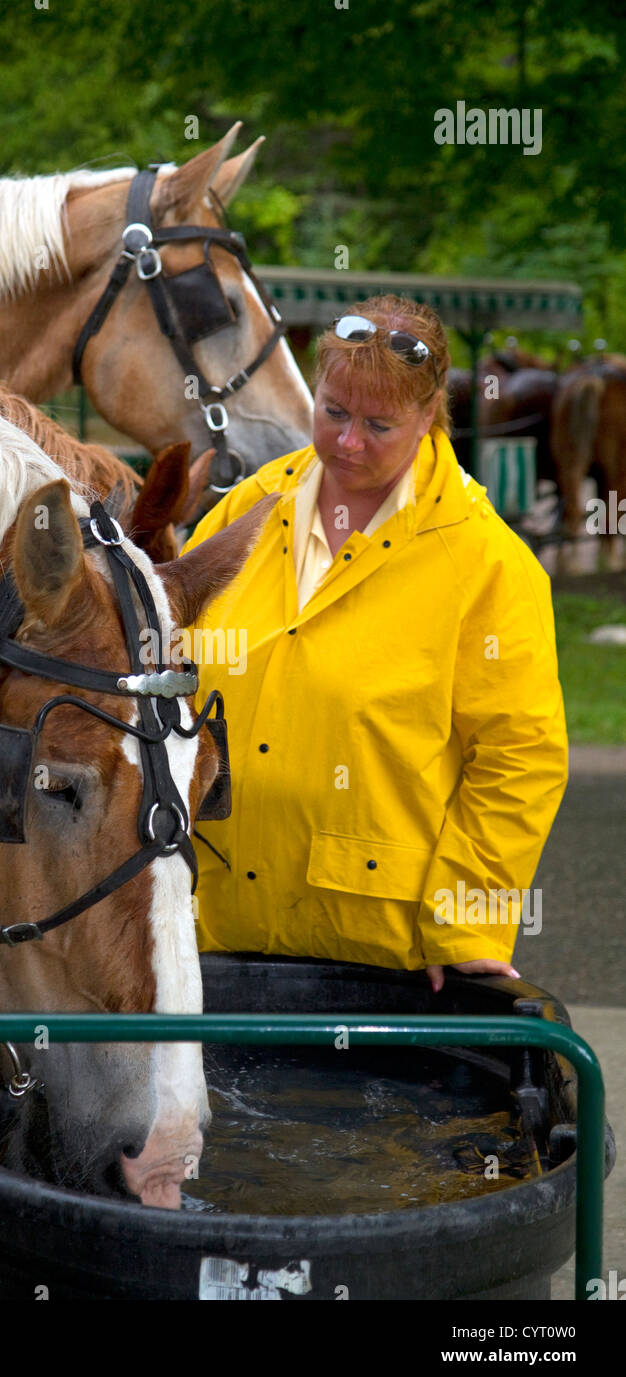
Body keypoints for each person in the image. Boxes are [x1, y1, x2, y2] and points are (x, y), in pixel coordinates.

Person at [183, 295, 568, 991]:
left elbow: (518, 761)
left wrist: (467, 922)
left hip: (375, 954)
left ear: (429, 419)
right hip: (205, 928)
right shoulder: (249, 506)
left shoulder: (488, 564)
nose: (348, 442)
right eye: (333, 412)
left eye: (379, 424)